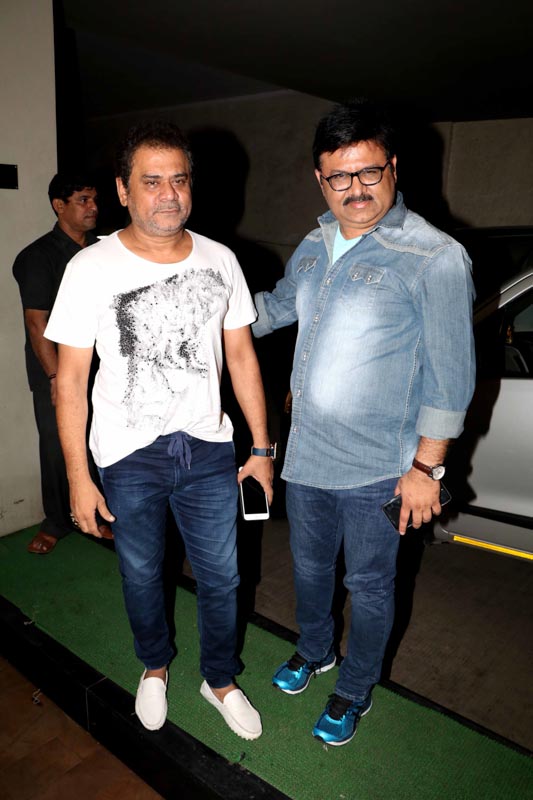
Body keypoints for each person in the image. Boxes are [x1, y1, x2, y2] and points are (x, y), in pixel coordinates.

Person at [252, 100, 476, 746]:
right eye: (338, 176)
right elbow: (272, 310)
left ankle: (354, 687)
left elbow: (451, 376)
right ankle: (315, 649)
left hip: (380, 467)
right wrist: (204, 308)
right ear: (318, 178)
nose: (355, 188)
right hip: (306, 459)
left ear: (393, 167)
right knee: (309, 572)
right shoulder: (313, 245)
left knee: (370, 586)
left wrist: (426, 468)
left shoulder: (434, 256)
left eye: (369, 171)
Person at [44, 121, 274, 740]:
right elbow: (70, 381)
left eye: (179, 179)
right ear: (123, 190)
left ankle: (219, 678)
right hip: (128, 453)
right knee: (142, 574)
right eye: (151, 181)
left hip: (208, 447)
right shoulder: (90, 267)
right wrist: (78, 478)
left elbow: (242, 357)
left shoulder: (221, 260)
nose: (168, 194)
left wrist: (260, 448)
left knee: (224, 576)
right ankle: (154, 666)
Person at [12, 173, 109, 554]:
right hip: (55, 369)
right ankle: (56, 521)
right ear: (59, 206)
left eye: (94, 199)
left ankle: (100, 515)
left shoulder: (104, 251)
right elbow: (37, 323)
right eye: (83, 200)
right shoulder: (37, 257)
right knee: (57, 446)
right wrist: (56, 377)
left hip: (101, 366)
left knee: (102, 442)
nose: (93, 207)